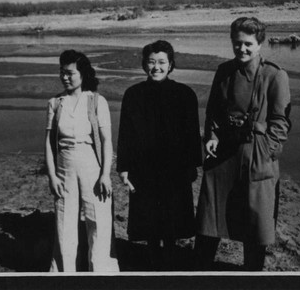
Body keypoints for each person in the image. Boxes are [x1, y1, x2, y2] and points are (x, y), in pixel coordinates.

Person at [194, 17, 291, 271]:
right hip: (224, 152)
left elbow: (281, 122)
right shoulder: (224, 71)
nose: (242, 49)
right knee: (209, 215)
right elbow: (213, 111)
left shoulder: (274, 75)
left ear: (260, 44)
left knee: (256, 223)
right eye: (237, 44)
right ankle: (200, 271)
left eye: (248, 44)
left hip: (255, 154)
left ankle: (252, 274)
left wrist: (266, 151)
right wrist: (212, 137)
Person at [116, 40, 202, 270]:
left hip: (175, 170)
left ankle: (171, 259)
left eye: (162, 62)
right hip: (144, 170)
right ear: (144, 64)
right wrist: (123, 167)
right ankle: (154, 260)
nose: (156, 67)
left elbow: (192, 134)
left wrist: (192, 165)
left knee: (173, 219)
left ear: (171, 65)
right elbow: (125, 134)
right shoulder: (133, 95)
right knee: (150, 221)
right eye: (151, 62)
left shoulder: (185, 94)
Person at [45, 50, 119, 272]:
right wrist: (52, 176)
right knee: (64, 225)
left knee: (98, 223)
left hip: (92, 169)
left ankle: (101, 273)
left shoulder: (97, 101)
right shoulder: (55, 103)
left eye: (70, 73)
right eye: (62, 73)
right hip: (64, 169)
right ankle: (64, 275)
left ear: (83, 74)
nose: (65, 77)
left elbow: (106, 142)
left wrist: (105, 174)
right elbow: (49, 143)